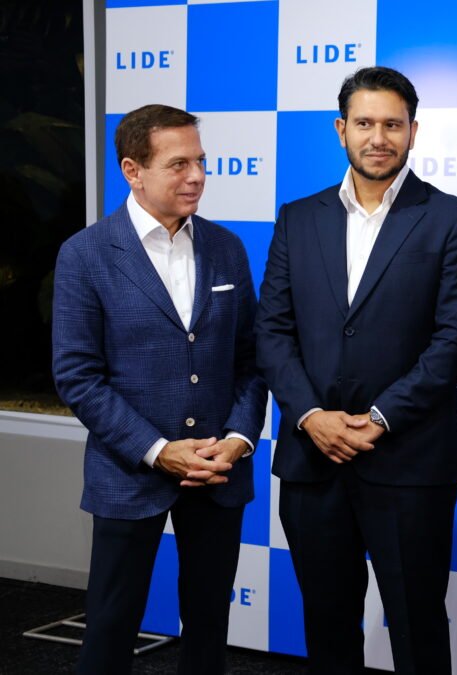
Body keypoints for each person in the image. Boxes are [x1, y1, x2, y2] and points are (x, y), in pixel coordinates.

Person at [256, 66, 457, 674]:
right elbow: (272, 331)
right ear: (341, 130)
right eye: (364, 123)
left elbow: (456, 341)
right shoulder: (298, 217)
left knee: (417, 626)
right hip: (313, 461)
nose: (378, 138)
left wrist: (380, 418)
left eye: (392, 124)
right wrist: (311, 416)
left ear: (413, 131)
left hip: (410, 461)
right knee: (327, 626)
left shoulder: (453, 219)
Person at [52, 104, 267, 675]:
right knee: (110, 628)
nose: (197, 176)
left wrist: (239, 439)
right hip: (128, 473)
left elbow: (251, 360)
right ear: (133, 170)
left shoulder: (227, 248)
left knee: (208, 628)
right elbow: (77, 376)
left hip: (217, 473)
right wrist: (157, 450)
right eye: (178, 164)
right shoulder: (85, 254)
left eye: (201, 161)